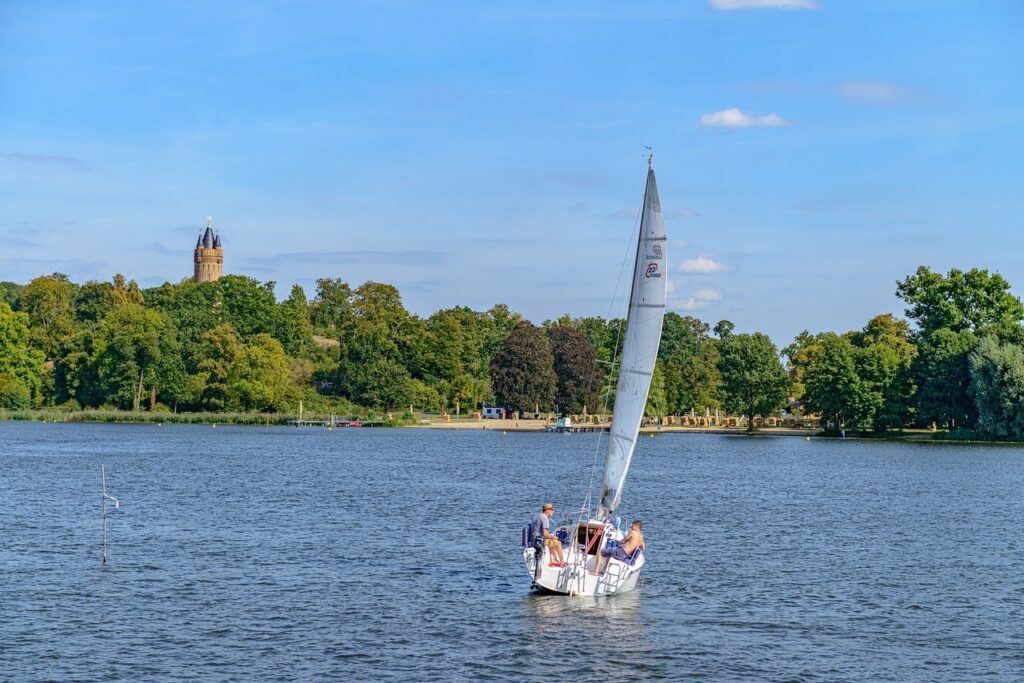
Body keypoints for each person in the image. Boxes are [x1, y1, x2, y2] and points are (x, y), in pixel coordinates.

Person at [530, 502, 565, 567]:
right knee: (558, 542)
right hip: (539, 540)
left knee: (552, 541)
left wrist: (551, 537)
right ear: (547, 510)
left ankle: (554, 559)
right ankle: (562, 563)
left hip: (535, 538)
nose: (553, 511)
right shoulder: (545, 518)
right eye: (552, 510)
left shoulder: (539, 516)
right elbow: (545, 534)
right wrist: (556, 538)